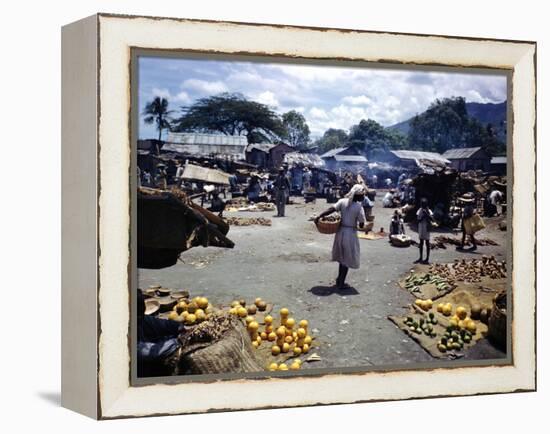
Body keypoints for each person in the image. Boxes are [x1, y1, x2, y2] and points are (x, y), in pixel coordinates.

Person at [315, 184, 366, 289]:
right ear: (358, 195)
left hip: (340, 231)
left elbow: (331, 209)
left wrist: (320, 216)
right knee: (346, 259)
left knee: (342, 258)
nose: (363, 197)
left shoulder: (342, 202)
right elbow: (361, 224)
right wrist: (359, 223)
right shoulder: (359, 207)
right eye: (362, 195)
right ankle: (341, 282)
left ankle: (339, 279)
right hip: (350, 233)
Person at [137, 290, 184, 377]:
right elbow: (149, 352)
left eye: (142, 314)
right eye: (138, 315)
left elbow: (162, 324)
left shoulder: (142, 320)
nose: (141, 317)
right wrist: (178, 341)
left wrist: (180, 327)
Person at [415, 197, 434, 264]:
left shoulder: (429, 211)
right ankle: (420, 257)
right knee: (421, 242)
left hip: (427, 228)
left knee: (427, 243)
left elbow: (432, 219)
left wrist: (426, 214)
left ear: (426, 205)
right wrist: (422, 217)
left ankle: (427, 258)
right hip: (421, 227)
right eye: (422, 204)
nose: (423, 206)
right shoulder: (419, 210)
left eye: (424, 205)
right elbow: (417, 220)